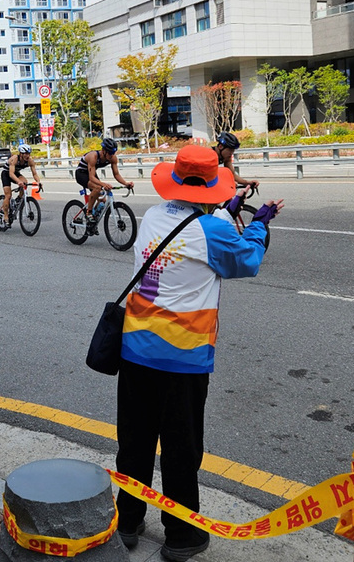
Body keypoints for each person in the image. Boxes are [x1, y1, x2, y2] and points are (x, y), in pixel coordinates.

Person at [116, 144, 283, 560]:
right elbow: (246, 261)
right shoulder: (215, 230)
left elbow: (190, 229)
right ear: (212, 184)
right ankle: (182, 534)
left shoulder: (153, 216)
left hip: (135, 349)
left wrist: (223, 210)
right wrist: (260, 223)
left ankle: (128, 521)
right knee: (180, 446)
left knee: (134, 442)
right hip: (182, 358)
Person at [75, 137, 134, 220]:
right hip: (81, 174)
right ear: (104, 150)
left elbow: (116, 174)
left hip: (91, 173)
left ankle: (92, 222)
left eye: (114, 152)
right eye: (110, 152)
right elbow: (91, 178)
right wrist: (104, 184)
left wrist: (126, 183)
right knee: (98, 188)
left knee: (102, 200)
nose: (112, 155)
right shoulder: (93, 156)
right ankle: (89, 212)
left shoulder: (113, 158)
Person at [0, 144, 42, 223]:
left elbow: (34, 174)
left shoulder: (30, 161)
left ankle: (18, 200)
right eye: (25, 154)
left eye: (28, 154)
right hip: (6, 173)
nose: (27, 156)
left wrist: (38, 182)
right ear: (21, 154)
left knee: (25, 183)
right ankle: (5, 215)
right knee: (8, 195)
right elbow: (11, 174)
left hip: (15, 173)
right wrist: (18, 181)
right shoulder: (15, 159)